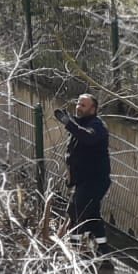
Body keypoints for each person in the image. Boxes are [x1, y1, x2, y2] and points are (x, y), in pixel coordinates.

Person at [54, 92, 111, 253]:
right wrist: (71, 179)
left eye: (83, 105)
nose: (78, 107)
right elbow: (72, 154)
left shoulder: (97, 126)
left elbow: (87, 137)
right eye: (78, 103)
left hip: (95, 182)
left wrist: (68, 123)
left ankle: (76, 254)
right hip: (83, 182)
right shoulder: (79, 125)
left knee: (76, 214)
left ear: (93, 109)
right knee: (93, 218)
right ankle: (105, 255)